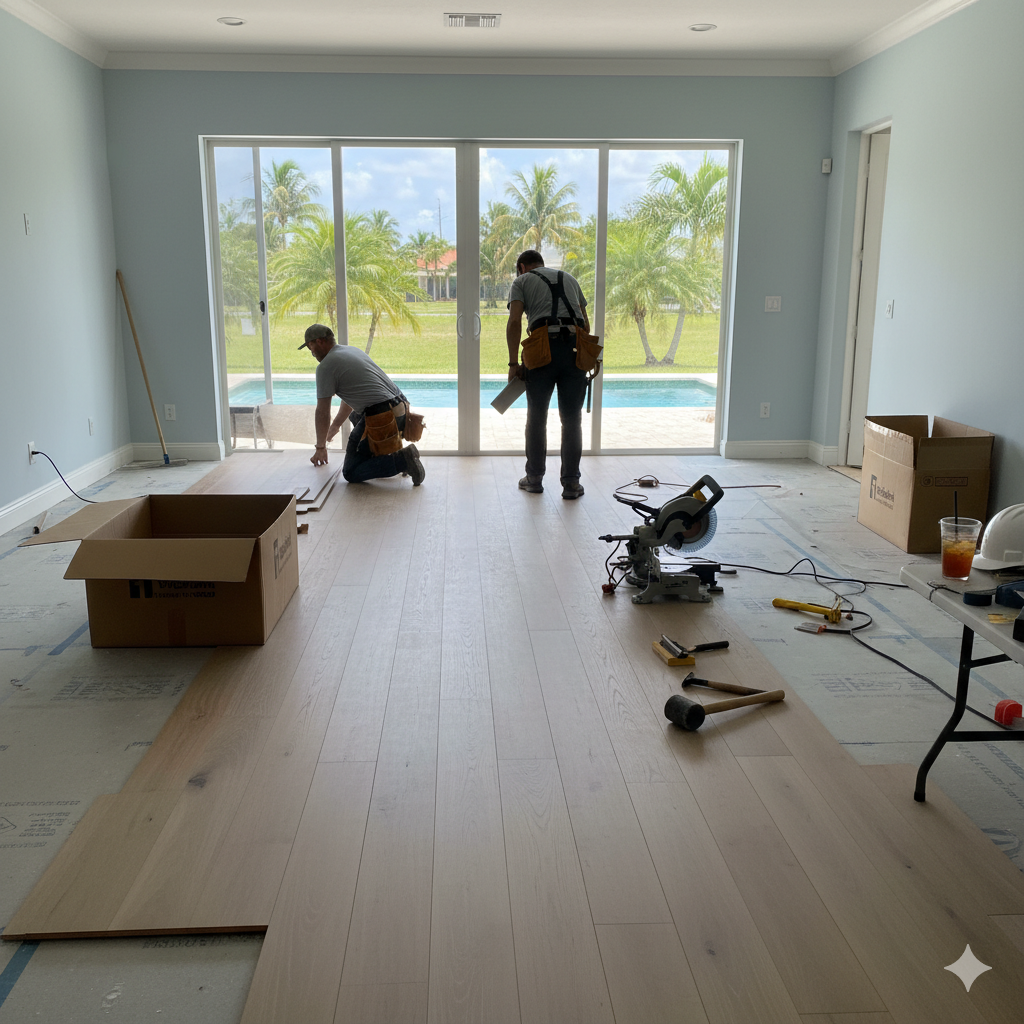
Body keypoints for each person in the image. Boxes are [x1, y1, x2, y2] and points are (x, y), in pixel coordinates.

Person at [506, 249, 591, 499]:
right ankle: (571, 484)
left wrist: (513, 364)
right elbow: (585, 323)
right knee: (572, 420)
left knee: (537, 417)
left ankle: (534, 478)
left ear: (522, 267)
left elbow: (514, 322)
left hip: (542, 348)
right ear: (542, 263)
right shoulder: (570, 278)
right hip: (575, 349)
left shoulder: (521, 281)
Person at [299, 323, 425, 485]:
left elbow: (322, 411)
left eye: (311, 347)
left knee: (351, 472)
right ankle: (386, 457)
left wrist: (320, 447)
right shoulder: (350, 351)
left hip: (383, 418)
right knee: (356, 415)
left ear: (320, 341)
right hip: (401, 411)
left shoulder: (326, 366)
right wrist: (335, 426)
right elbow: (352, 398)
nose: (312, 352)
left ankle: (402, 461)